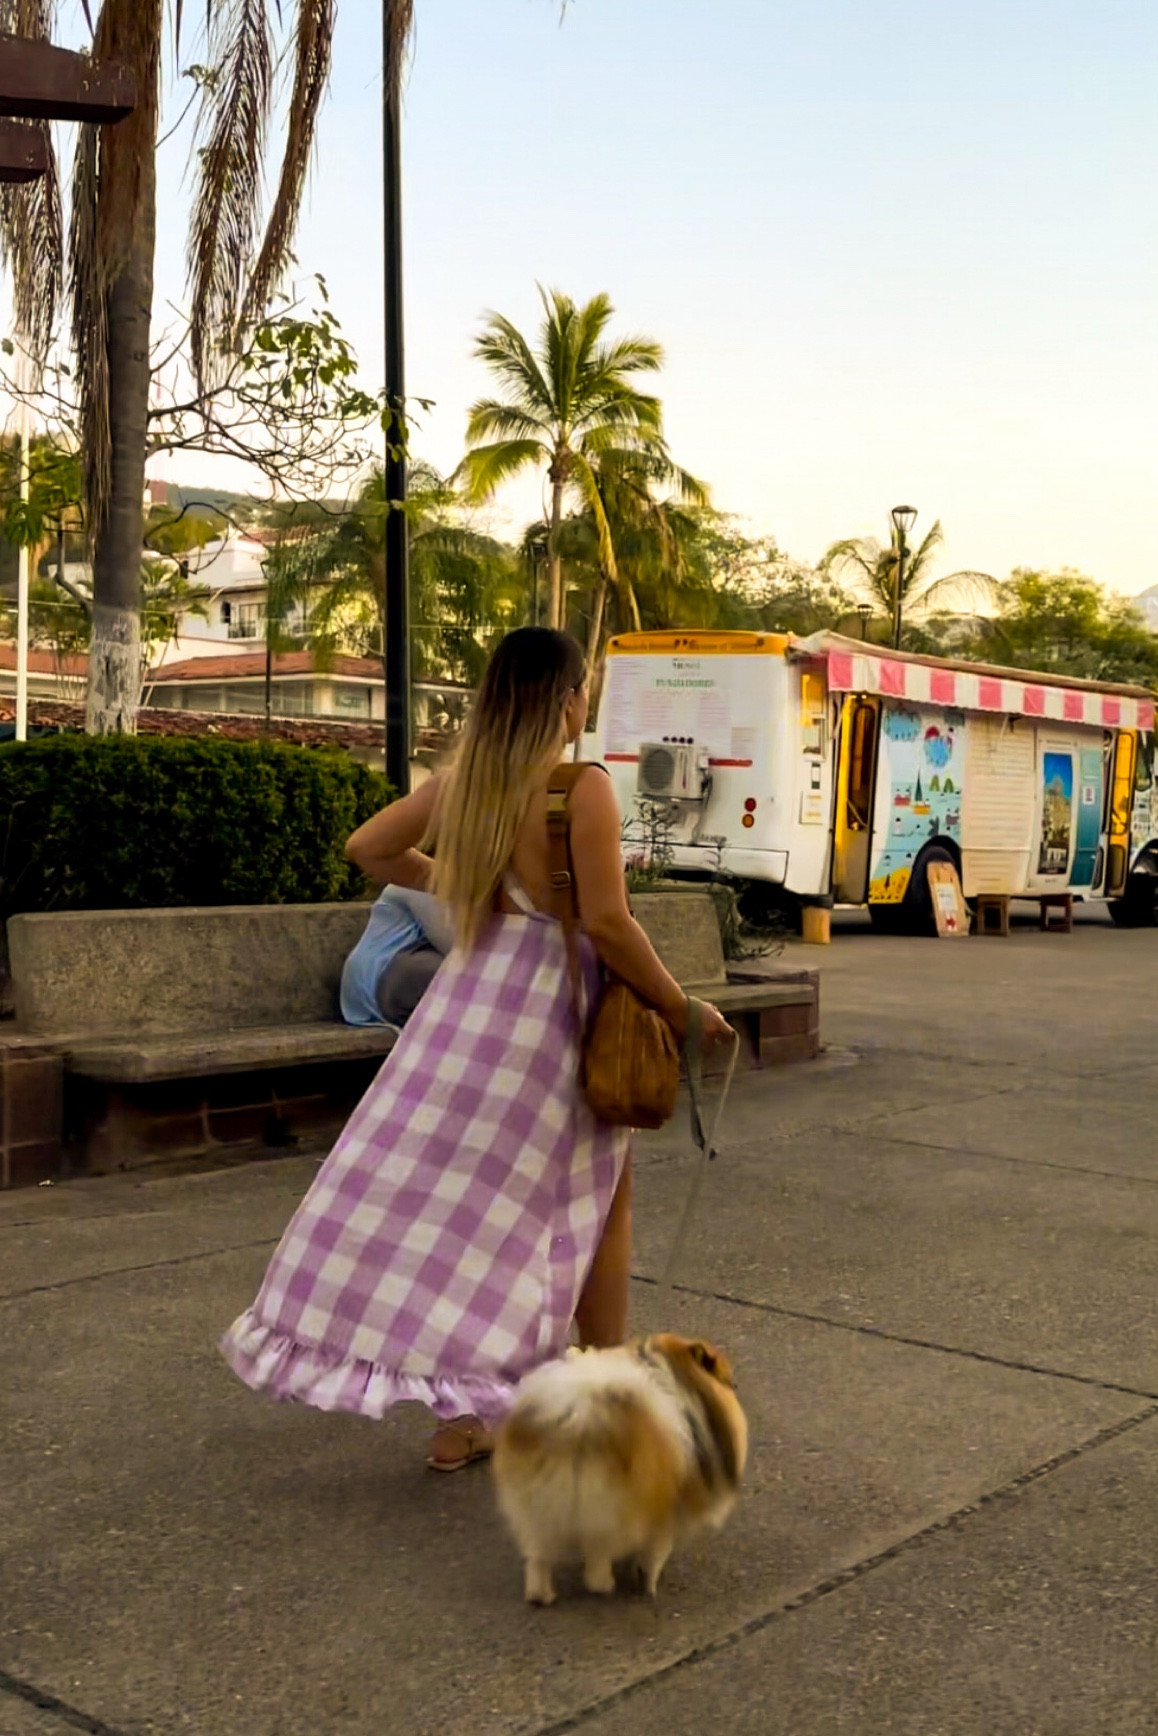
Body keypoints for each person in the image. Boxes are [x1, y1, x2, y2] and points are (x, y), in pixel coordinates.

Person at [220, 627, 732, 1472]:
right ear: (568, 696)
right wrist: (681, 1009)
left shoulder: (468, 782)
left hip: (467, 1021)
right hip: (553, 1018)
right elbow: (606, 922)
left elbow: (369, 849)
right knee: (599, 1205)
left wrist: (473, 881)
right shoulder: (580, 787)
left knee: (467, 1215)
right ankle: (600, 1395)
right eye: (584, 689)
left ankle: (473, 1416)